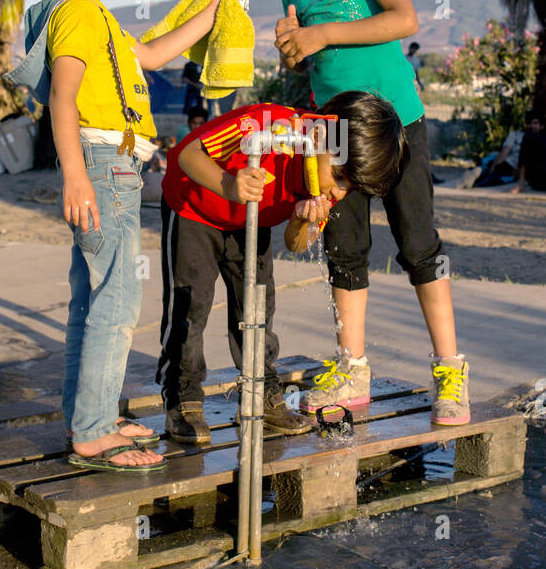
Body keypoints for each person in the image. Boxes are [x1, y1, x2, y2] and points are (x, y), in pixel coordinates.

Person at [254, 0, 467, 425]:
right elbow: (316, 64)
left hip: (396, 123)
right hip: (332, 135)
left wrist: (321, 36)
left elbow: (404, 18)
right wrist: (294, 48)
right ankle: (352, 367)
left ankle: (450, 370)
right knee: (344, 248)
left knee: (418, 243)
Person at [29, 0, 230, 473]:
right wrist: (74, 177)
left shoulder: (95, 19)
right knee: (116, 302)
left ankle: (86, 416)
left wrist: (210, 12)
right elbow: (63, 99)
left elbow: (152, 54)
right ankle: (92, 433)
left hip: (109, 167)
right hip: (100, 167)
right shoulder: (77, 15)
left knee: (92, 300)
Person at [157, 91, 404, 444]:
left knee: (257, 306)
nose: (338, 192)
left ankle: (260, 392)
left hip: (250, 221)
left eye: (351, 186)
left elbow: (295, 243)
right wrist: (229, 183)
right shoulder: (267, 125)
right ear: (322, 137)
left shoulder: (327, 184)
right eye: (340, 176)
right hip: (194, 206)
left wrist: (300, 221)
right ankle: (182, 394)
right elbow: (187, 154)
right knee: (190, 305)